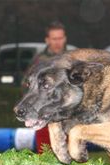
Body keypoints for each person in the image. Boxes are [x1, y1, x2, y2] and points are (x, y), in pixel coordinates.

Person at [23, 21, 69, 153]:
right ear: (47, 40)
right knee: (45, 156)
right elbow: (26, 87)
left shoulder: (72, 59)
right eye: (54, 39)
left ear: (65, 38)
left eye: (60, 38)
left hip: (67, 118)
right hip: (43, 117)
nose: (57, 42)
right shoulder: (39, 61)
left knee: (73, 157)